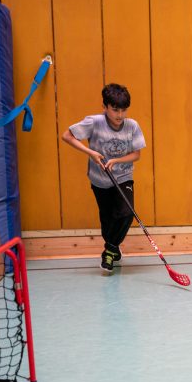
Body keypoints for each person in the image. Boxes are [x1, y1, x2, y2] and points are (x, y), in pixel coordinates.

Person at [61, 84, 145, 273]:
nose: (120, 115)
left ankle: (110, 250)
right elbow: (67, 136)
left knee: (126, 212)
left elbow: (136, 155)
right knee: (107, 219)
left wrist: (117, 160)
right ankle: (113, 246)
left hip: (123, 177)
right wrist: (91, 152)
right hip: (99, 180)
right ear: (105, 106)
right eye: (115, 110)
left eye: (123, 110)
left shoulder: (132, 126)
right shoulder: (94, 122)